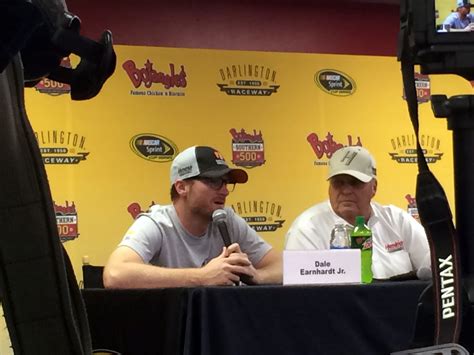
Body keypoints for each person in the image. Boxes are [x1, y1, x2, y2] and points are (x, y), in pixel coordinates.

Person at [103, 145, 282, 288]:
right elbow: (115, 274)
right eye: (213, 181)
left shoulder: (226, 219)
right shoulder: (157, 223)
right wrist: (203, 276)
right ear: (181, 187)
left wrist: (257, 276)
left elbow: (283, 267)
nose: (225, 190)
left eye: (226, 182)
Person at [285, 146, 431, 280]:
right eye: (338, 183)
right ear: (330, 187)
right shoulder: (307, 229)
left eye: (355, 182)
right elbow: (303, 295)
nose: (346, 190)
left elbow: (432, 267)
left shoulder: (397, 220)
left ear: (374, 187)